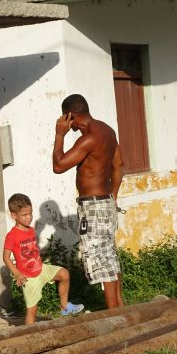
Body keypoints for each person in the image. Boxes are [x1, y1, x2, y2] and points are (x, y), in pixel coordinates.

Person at [53, 94, 125, 309]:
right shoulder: (107, 131)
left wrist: (59, 135)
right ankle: (119, 307)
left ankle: (114, 314)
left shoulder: (88, 138)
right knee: (109, 255)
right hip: (105, 202)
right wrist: (113, 195)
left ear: (70, 116)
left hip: (92, 205)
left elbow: (58, 166)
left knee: (99, 258)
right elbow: (119, 165)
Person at [3, 193, 84, 324]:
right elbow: (6, 257)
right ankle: (29, 335)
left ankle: (64, 306)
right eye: (24, 215)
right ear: (14, 215)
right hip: (28, 277)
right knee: (32, 310)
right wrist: (17, 273)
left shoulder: (30, 230)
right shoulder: (12, 236)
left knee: (64, 274)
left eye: (30, 213)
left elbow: (33, 250)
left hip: (41, 269)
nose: (29, 217)